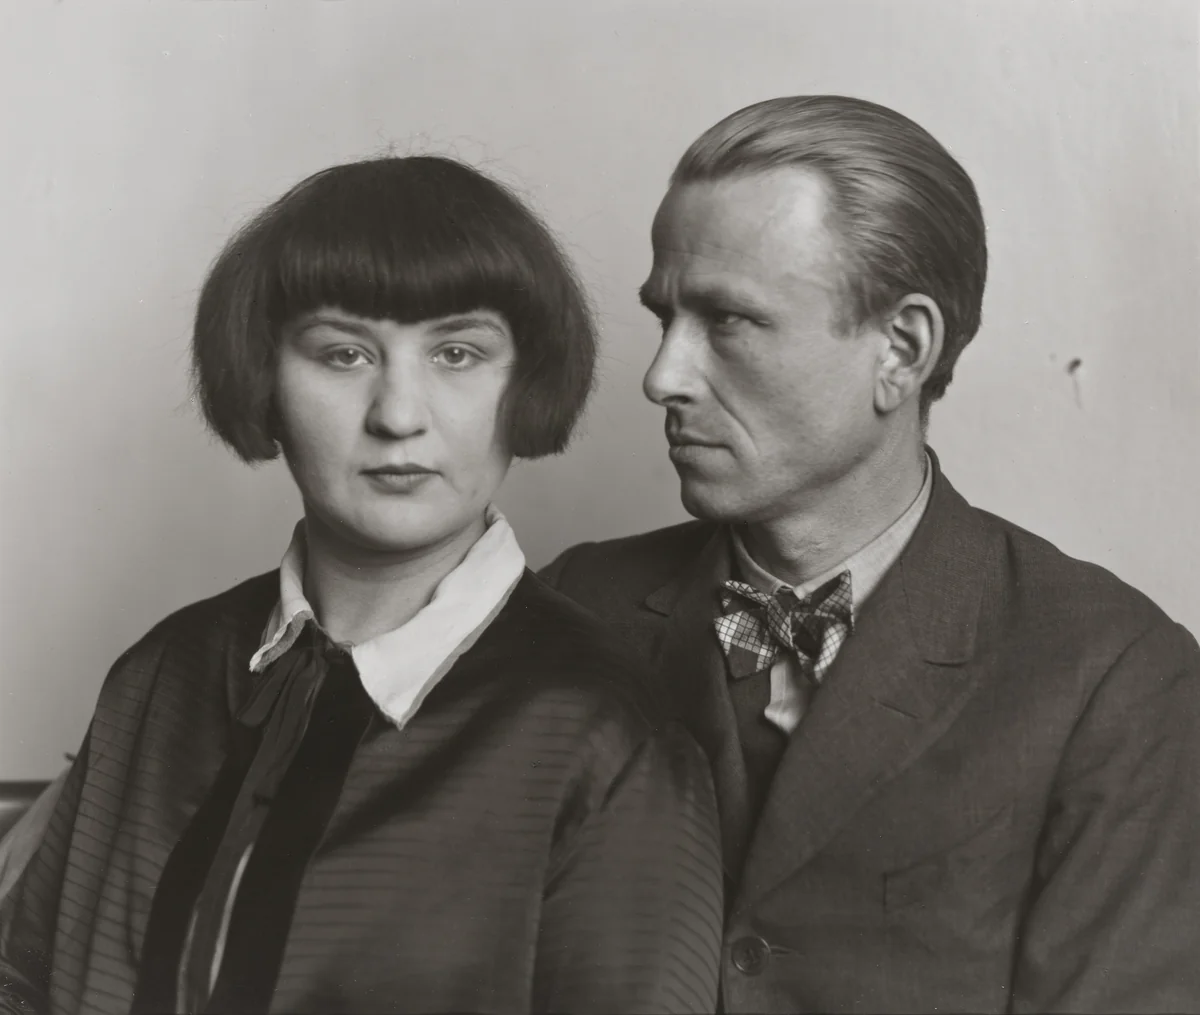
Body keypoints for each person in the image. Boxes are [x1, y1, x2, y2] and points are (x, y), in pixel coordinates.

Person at [0, 155, 724, 1015]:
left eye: (458, 353)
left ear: (524, 384)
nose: (398, 414)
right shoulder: (163, 674)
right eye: (343, 354)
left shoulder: (606, 736)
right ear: (264, 376)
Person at [542, 95, 1200, 1014]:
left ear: (903, 348)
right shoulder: (569, 609)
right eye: (665, 318)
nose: (664, 376)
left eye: (728, 320)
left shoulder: (1114, 677)